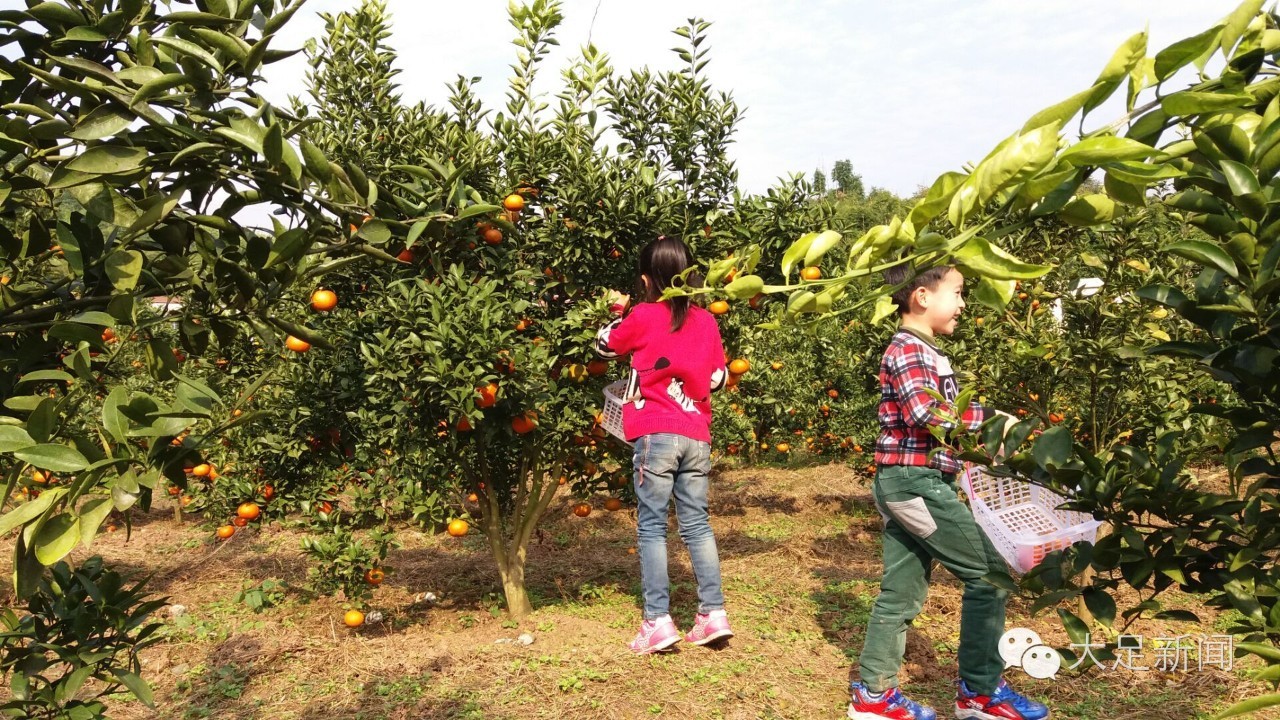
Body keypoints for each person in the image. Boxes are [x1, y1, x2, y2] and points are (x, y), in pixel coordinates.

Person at [848, 264, 1049, 720]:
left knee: (900, 592)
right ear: (922, 296)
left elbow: (945, 413)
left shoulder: (927, 352)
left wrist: (989, 428)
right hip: (914, 482)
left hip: (910, 481)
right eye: (957, 293)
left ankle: (873, 697)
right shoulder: (908, 349)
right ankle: (979, 693)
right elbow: (925, 412)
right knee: (990, 575)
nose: (962, 303)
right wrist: (992, 421)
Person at [594, 235, 734, 655]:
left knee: (653, 526)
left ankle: (657, 620)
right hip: (696, 435)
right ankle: (713, 613)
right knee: (697, 523)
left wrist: (618, 312)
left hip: (656, 433)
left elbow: (605, 344)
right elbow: (720, 378)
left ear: (646, 280)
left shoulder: (642, 315)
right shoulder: (707, 321)